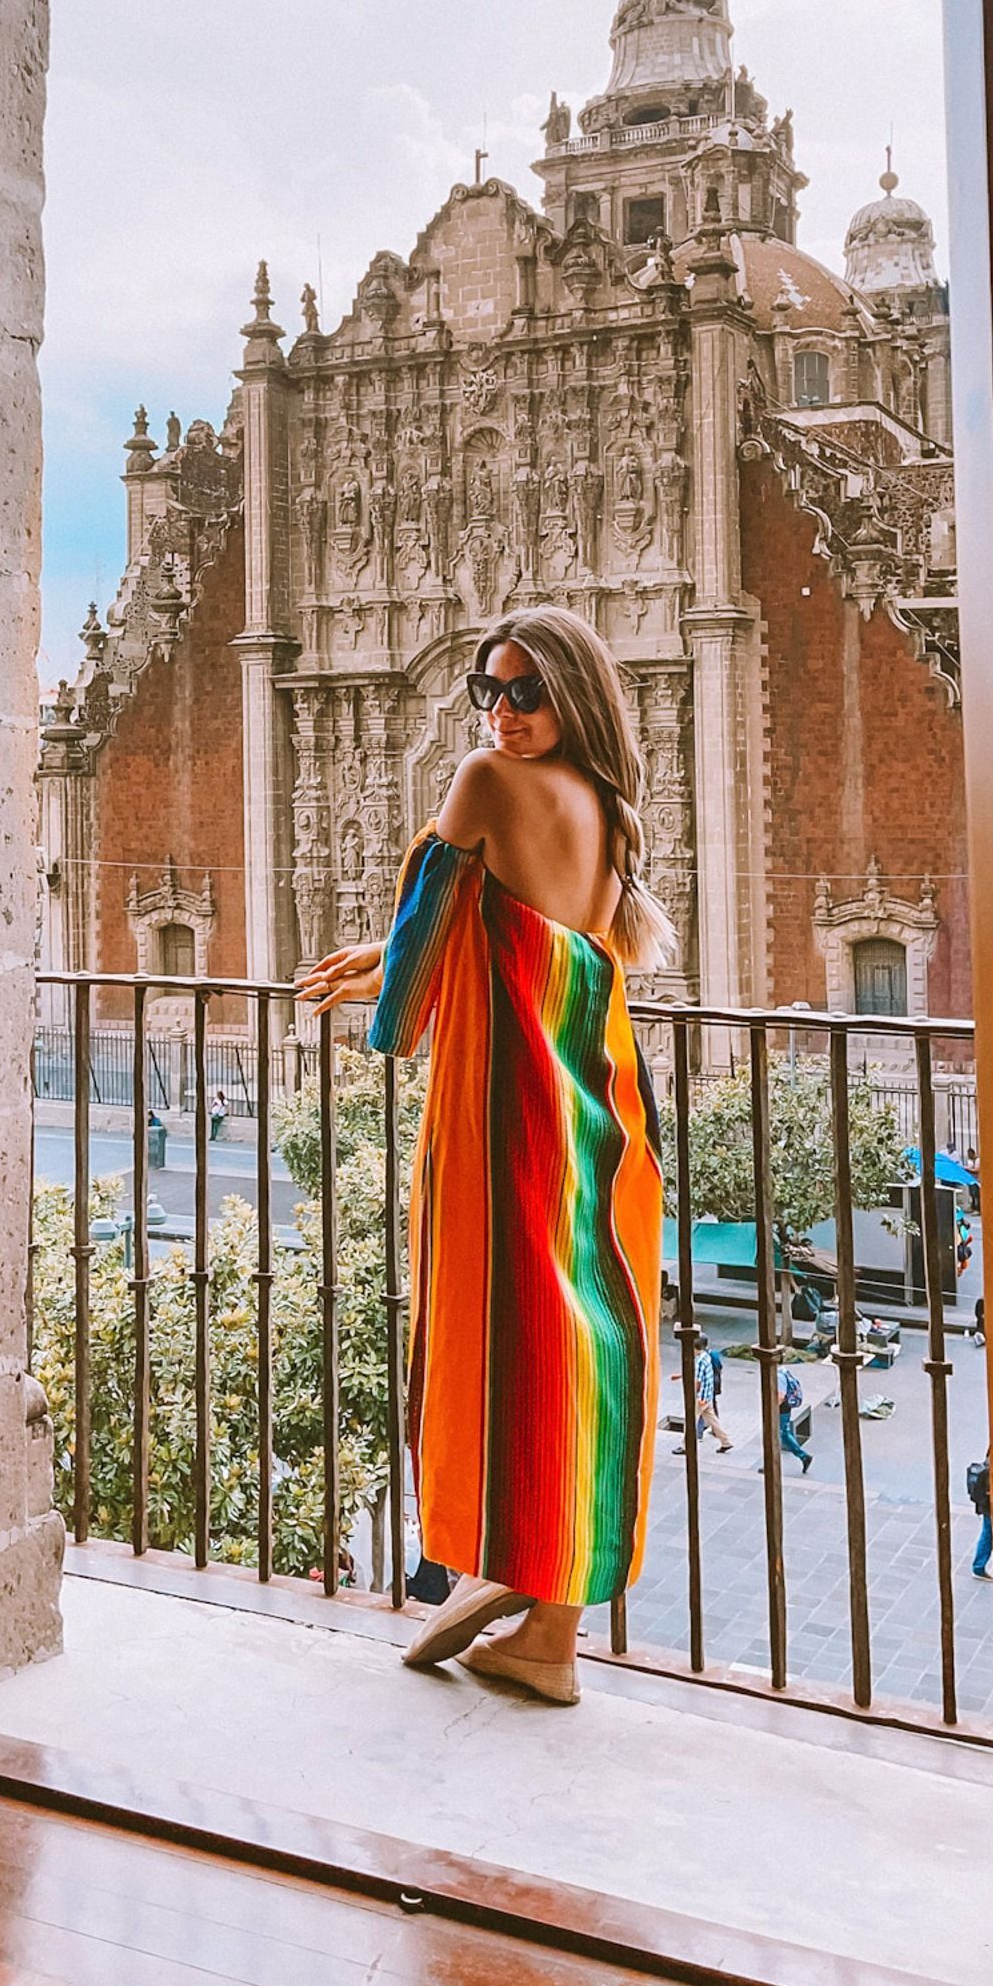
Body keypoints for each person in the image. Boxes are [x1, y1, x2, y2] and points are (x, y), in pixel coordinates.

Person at [296, 606, 672, 1709]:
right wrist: (394, 944)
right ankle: (546, 1617)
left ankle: (500, 1569)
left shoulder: (479, 782)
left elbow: (421, 968)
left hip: (508, 1099)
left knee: (492, 1322)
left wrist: (383, 982)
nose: (499, 715)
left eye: (524, 693)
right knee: (584, 1331)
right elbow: (533, 925)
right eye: (487, 692)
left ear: (572, 700)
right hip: (596, 1096)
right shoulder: (602, 807)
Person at [760, 1364, 812, 1476]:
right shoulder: (784, 1371)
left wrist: (772, 1410)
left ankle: (771, 1464)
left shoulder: (778, 1376)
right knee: (785, 1434)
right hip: (785, 1409)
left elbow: (780, 1396)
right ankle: (804, 1456)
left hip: (780, 1410)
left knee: (775, 1435)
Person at [692, 1339, 734, 1452]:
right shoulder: (708, 1356)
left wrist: (695, 1395)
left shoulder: (700, 1361)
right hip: (709, 1395)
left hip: (702, 1397)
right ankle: (725, 1441)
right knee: (713, 1420)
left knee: (690, 1420)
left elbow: (698, 1380)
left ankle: (686, 1445)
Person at [967, 1451, 993, 1578]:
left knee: (987, 1533)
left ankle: (978, 1566)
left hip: (985, 1507)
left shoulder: (987, 1466)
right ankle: (979, 1567)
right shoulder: (990, 1473)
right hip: (991, 1508)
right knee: (988, 1535)